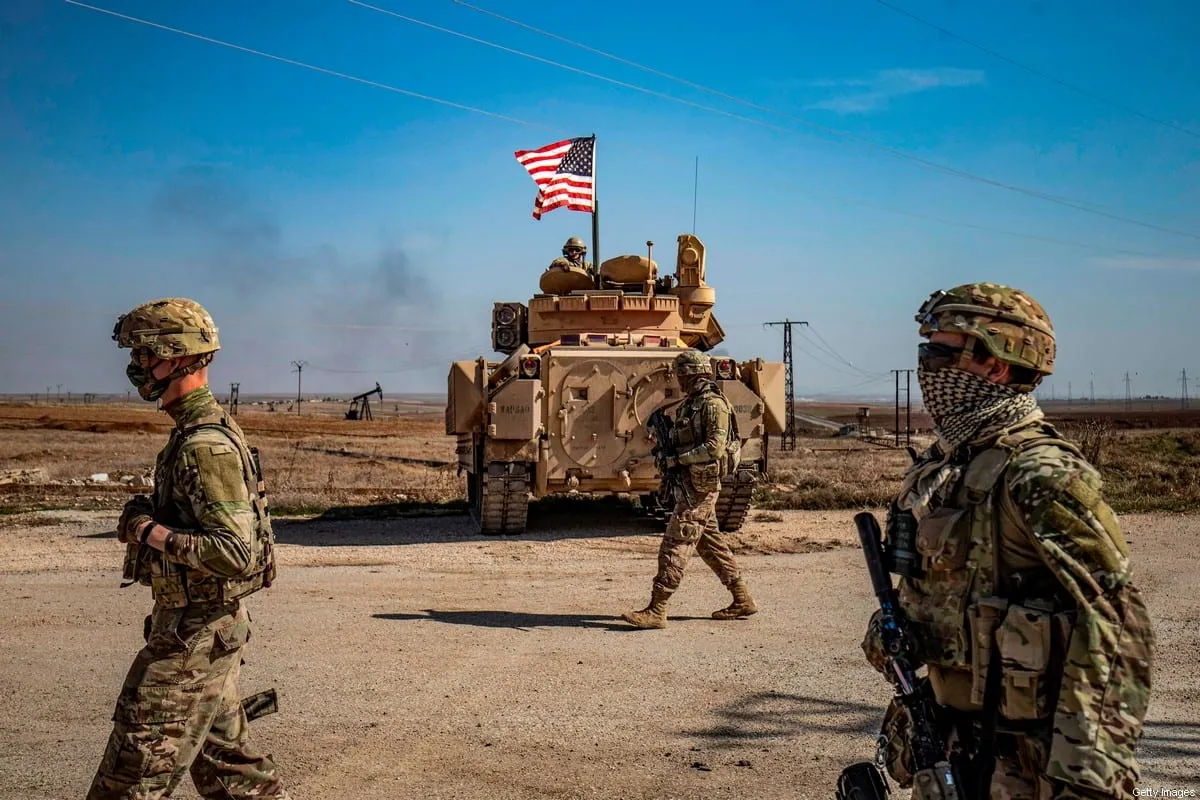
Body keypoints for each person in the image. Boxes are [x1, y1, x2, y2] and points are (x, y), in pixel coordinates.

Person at [861, 283, 1154, 799]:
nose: (927, 367)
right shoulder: (954, 462)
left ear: (996, 365)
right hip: (956, 744)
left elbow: (1118, 618)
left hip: (1026, 761)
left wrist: (1087, 776)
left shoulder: (1039, 473)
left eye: (939, 352)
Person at [88, 297, 288, 799]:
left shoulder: (205, 444)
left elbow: (234, 552)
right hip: (203, 628)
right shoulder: (196, 432)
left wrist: (144, 530)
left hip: (193, 638)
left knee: (130, 777)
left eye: (143, 354)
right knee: (232, 773)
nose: (135, 367)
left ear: (176, 358)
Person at [622, 350, 757, 629]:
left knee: (677, 541)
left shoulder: (711, 404)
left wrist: (676, 460)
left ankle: (657, 609)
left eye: (682, 375)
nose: (679, 381)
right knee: (711, 545)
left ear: (692, 374)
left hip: (701, 486)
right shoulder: (691, 404)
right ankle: (742, 598)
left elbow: (714, 448)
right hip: (690, 483)